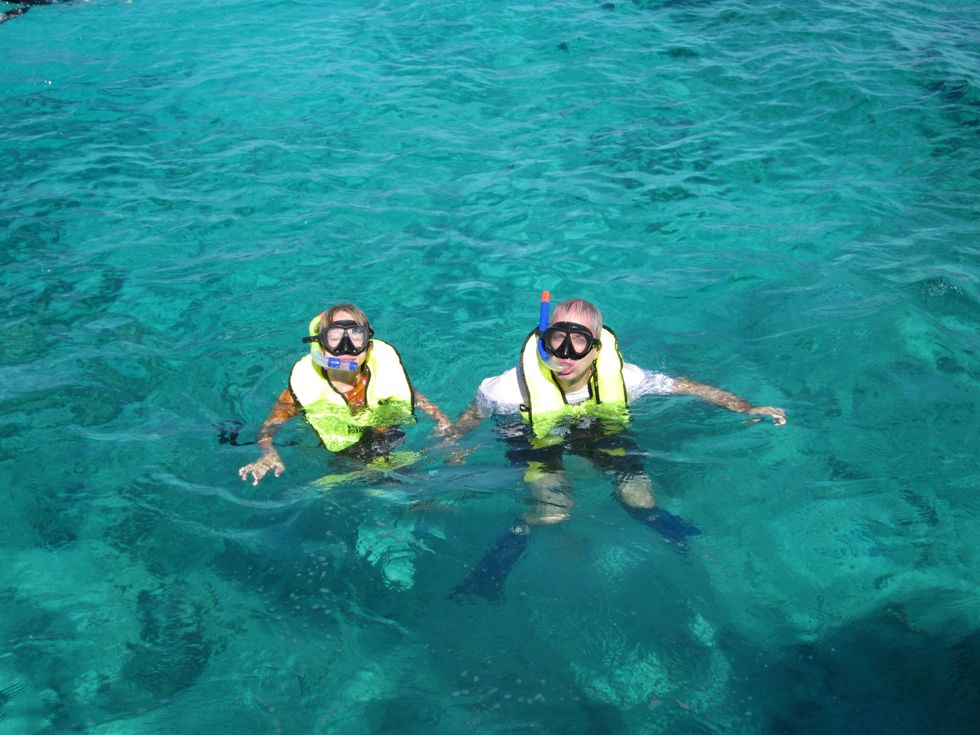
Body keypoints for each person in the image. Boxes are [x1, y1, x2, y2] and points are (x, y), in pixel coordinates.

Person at [448, 294, 786, 599]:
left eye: (579, 341)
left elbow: (686, 387)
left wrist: (745, 407)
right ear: (543, 340)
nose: (565, 353)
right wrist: (456, 450)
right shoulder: (509, 388)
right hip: (531, 435)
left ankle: (682, 540)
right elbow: (471, 417)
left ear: (596, 349)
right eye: (557, 338)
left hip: (596, 429)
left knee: (641, 499)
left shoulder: (625, 378)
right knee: (554, 510)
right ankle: (510, 542)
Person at [239, 304, 452, 486]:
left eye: (356, 337)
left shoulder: (380, 375)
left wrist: (442, 421)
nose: (346, 348)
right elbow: (268, 428)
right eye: (335, 338)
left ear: (368, 346)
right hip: (345, 455)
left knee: (412, 477)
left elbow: (412, 395)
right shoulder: (299, 392)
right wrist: (268, 453)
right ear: (320, 347)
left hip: (388, 439)